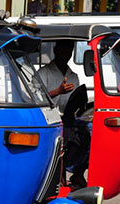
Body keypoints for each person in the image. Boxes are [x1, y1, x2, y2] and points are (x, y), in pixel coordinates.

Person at [38, 40, 88, 188]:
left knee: (90, 134)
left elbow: (75, 101)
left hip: (68, 117)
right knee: (65, 139)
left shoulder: (73, 76)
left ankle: (77, 173)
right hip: (48, 119)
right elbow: (36, 97)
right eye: (63, 51)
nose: (66, 55)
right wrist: (57, 92)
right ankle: (59, 176)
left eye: (69, 52)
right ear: (56, 51)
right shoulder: (44, 73)